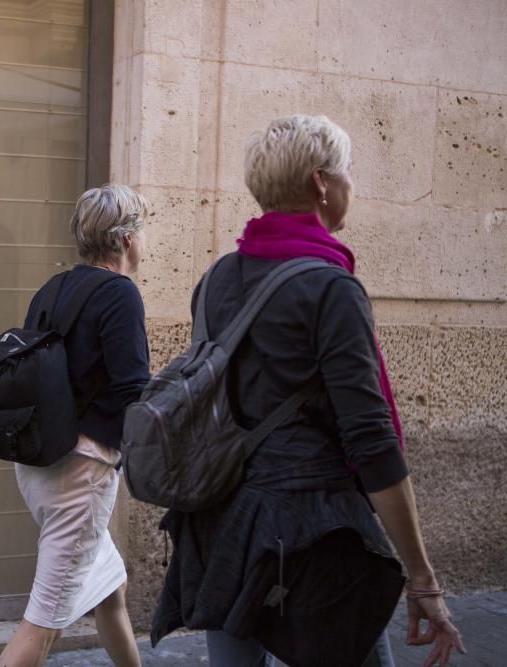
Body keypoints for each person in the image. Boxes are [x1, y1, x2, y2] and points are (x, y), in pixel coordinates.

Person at [150, 115, 466, 667]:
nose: (352, 187)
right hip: (312, 532)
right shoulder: (331, 288)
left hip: (220, 520)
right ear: (321, 183)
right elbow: (370, 439)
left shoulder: (216, 278)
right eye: (348, 173)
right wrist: (422, 577)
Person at [0, 184, 151, 667]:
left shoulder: (52, 290)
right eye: (143, 230)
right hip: (80, 477)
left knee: (111, 590)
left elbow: (15, 386)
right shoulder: (121, 295)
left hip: (39, 469)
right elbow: (134, 394)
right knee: (39, 629)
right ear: (126, 239)